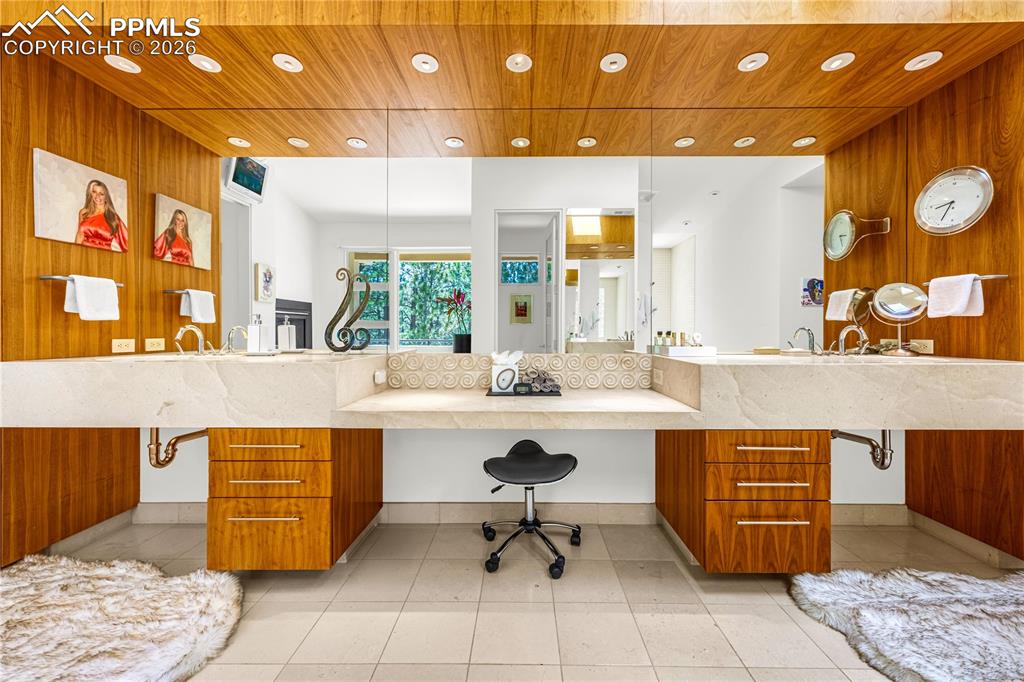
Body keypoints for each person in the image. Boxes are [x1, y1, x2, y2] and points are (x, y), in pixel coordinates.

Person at [76, 179, 128, 252]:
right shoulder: (83, 212)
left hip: (103, 256)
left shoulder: (113, 217)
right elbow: (80, 235)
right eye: (94, 192)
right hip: (84, 254)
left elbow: (127, 241)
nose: (97, 196)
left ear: (106, 197)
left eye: (101, 193)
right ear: (90, 194)